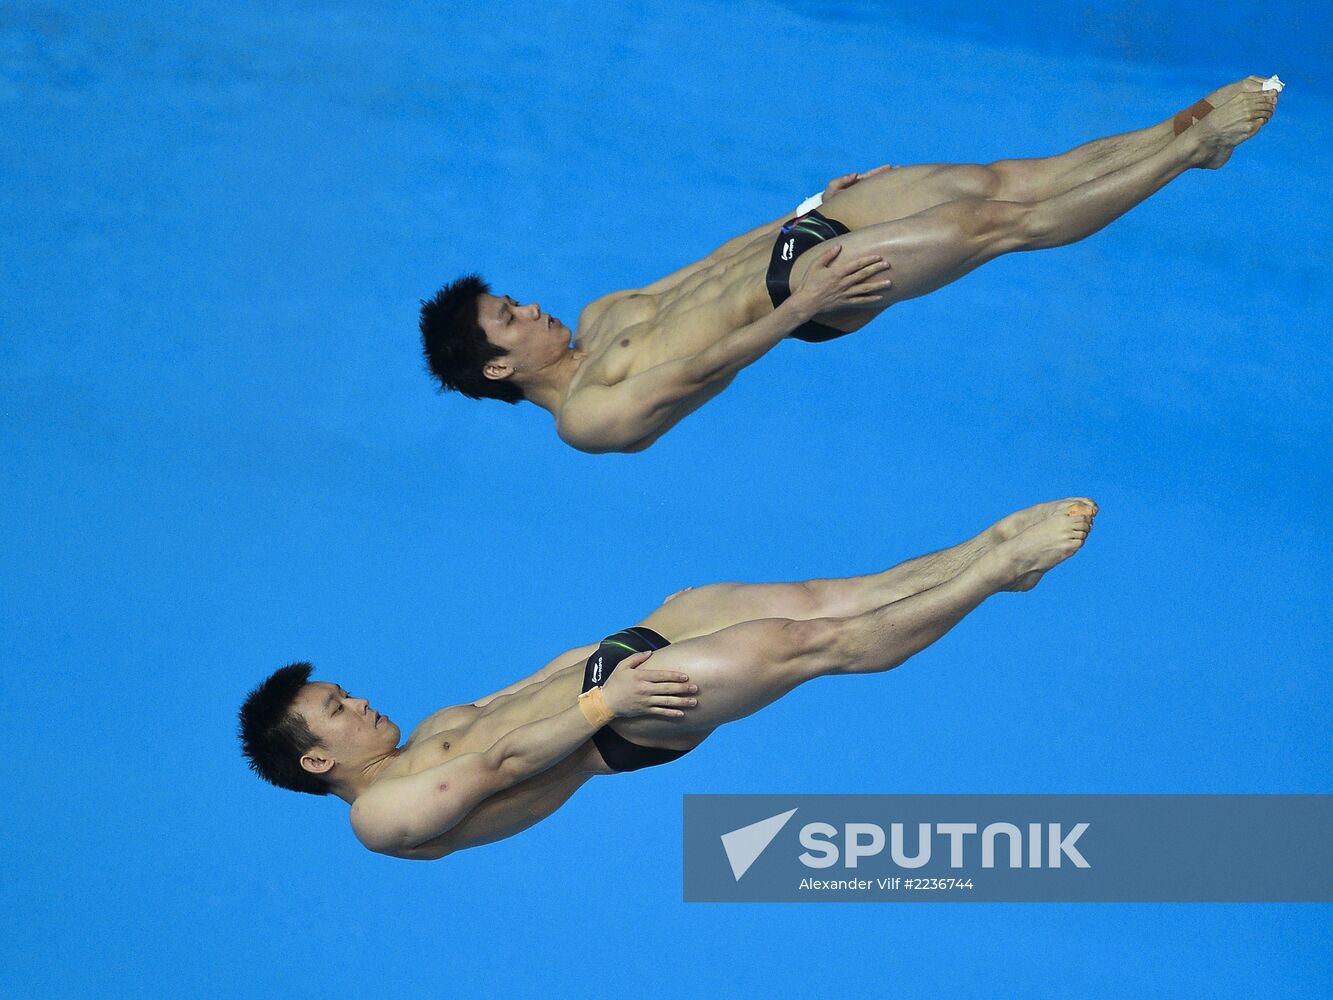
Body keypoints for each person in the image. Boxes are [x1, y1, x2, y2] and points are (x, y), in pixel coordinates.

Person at [419, 77, 1278, 453]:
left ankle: (1175, 132)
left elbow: (712, 263)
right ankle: (1192, 152)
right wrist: (804, 304)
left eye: (516, 301)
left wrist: (806, 208)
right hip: (809, 295)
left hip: (802, 242)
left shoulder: (604, 311)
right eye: (510, 320)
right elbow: (703, 366)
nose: (531, 310)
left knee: (1003, 177)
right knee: (993, 224)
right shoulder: (587, 420)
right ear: (497, 367)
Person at [240, 498, 1097, 860]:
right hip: (622, 721)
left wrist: (644, 625)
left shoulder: (424, 726)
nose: (358, 702)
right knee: (811, 642)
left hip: (614, 669)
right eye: (336, 710)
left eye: (342, 690)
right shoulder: (381, 816)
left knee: (833, 595)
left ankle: (981, 554)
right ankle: (996, 573)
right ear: (317, 760)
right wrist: (611, 698)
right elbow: (501, 766)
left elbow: (520, 691)